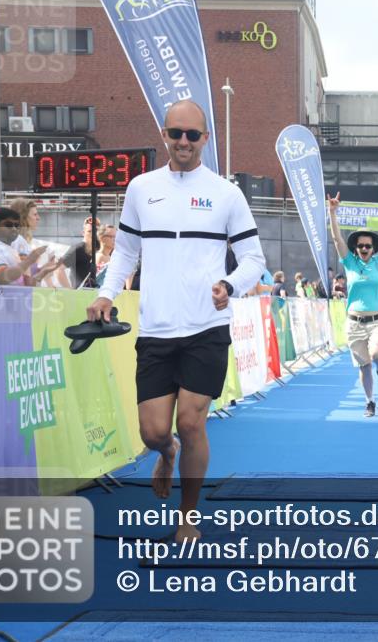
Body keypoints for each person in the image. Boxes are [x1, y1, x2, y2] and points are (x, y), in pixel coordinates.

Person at [86, 99, 266, 542]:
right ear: (164, 135)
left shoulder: (227, 193)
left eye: (193, 134)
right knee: (153, 432)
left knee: (191, 421)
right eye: (176, 133)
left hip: (207, 327)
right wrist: (107, 293)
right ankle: (166, 454)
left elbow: (252, 259)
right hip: (157, 329)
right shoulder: (141, 188)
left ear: (206, 139)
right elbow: (125, 251)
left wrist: (230, 285)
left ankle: (188, 515)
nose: (183, 142)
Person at [328, 193, 378, 417]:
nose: (364, 249)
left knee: (375, 355)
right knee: (364, 367)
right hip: (354, 322)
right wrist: (332, 213)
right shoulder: (349, 262)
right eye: (361, 246)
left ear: (374, 249)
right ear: (356, 248)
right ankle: (370, 401)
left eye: (368, 246)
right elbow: (337, 240)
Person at [0, 207, 59, 286]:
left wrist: (44, 270)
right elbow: (3, 277)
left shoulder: (10, 248)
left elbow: (27, 282)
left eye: (17, 225)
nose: (14, 229)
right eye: (8, 225)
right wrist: (29, 260)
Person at [8, 197, 68, 288]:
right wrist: (44, 271)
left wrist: (45, 268)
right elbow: (27, 283)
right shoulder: (19, 242)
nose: (38, 218)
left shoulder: (17, 241)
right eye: (35, 215)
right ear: (23, 217)